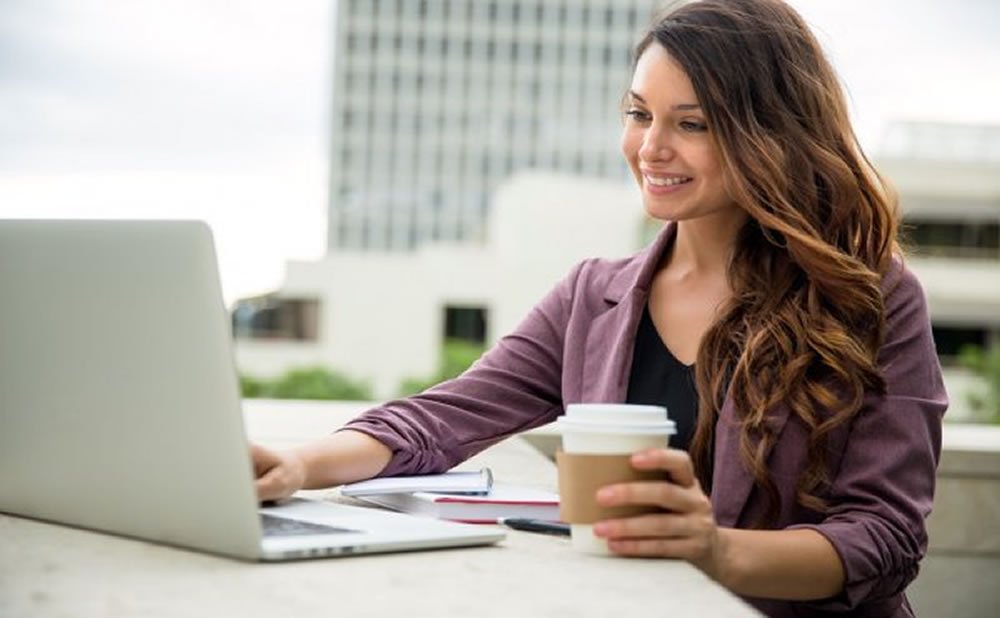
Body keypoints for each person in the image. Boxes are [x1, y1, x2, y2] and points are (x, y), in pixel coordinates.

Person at [252, 1, 947, 615]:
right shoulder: (596, 297)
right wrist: (297, 465)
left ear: (771, 134)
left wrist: (713, 551)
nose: (651, 148)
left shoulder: (870, 296)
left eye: (693, 123)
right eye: (639, 114)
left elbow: (885, 538)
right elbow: (440, 419)